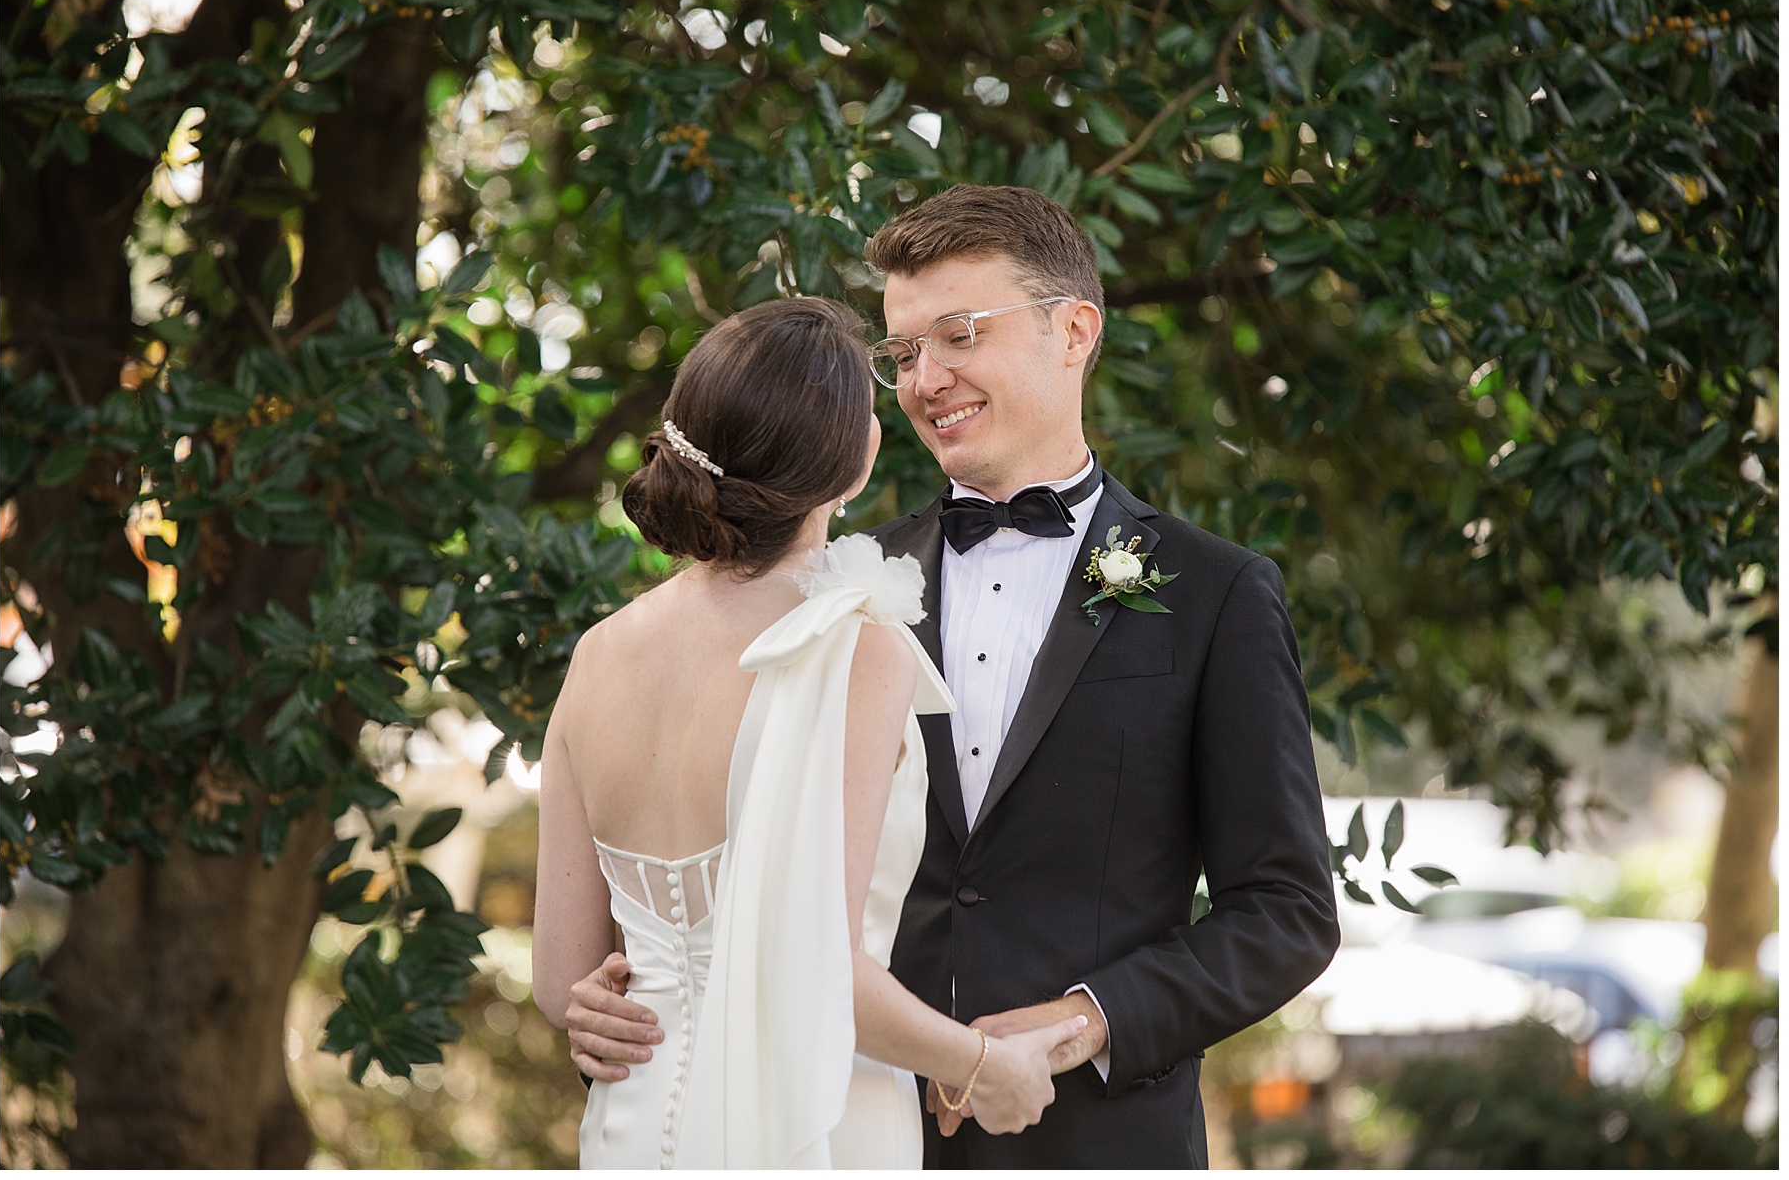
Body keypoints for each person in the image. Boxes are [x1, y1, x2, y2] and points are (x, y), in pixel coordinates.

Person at [531, 296, 1085, 1169]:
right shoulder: (855, 648)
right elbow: (814, 967)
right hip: (814, 1125)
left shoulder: (597, 655)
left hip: (633, 1126)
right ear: (858, 460)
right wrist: (987, 1064)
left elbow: (561, 973)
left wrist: (588, 1006)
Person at [858, 184, 1342, 1167]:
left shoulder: (1217, 594)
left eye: (958, 335)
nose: (924, 379)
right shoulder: (849, 586)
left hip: (1104, 1140)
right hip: (865, 1130)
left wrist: (1083, 1022)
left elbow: (1287, 910)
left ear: (1073, 330)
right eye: (904, 353)